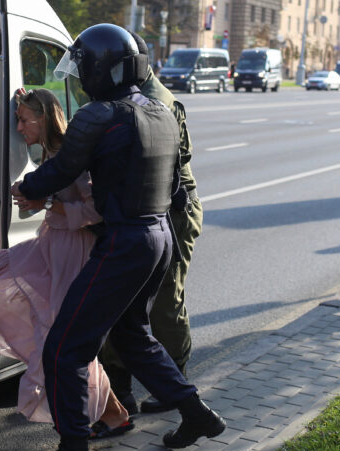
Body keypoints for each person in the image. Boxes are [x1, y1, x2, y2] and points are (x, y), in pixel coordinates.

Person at [11, 24, 225, 451]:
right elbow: (174, 187)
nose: (82, 76)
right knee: (133, 336)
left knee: (64, 348)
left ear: (99, 69)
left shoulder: (99, 114)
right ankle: (196, 414)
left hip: (125, 241)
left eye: (84, 66)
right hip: (159, 236)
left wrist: (25, 188)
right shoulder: (161, 111)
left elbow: (63, 169)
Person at [0, 87, 134, 438]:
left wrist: (45, 203)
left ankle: (97, 418)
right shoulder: (50, 151)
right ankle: (113, 414)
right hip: (51, 245)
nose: (18, 128)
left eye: (23, 120)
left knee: (61, 338)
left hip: (73, 253)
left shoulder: (71, 156)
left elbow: (95, 210)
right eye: (17, 120)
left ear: (44, 118)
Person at [98, 31, 202, 415]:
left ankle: (176, 381)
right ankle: (121, 385)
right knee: (121, 302)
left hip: (171, 209)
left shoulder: (157, 102)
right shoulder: (125, 94)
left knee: (163, 302)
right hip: (141, 206)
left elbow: (164, 166)